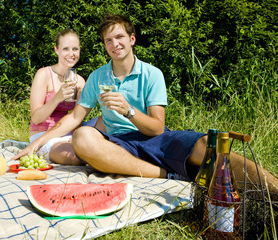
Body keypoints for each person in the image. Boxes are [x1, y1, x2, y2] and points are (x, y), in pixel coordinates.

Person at [14, 15, 278, 194]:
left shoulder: (152, 74)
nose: (114, 44)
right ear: (105, 46)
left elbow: (156, 128)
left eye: (119, 37)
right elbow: (73, 120)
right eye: (108, 40)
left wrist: (128, 109)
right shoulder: (97, 77)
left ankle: (273, 192)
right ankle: (167, 174)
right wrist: (34, 145)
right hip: (117, 143)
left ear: (132, 39)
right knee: (82, 136)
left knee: (205, 147)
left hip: (154, 140)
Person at [28, 28, 104, 165]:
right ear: (56, 50)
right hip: (43, 135)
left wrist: (75, 136)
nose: (71, 54)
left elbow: (77, 118)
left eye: (75, 49)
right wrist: (57, 97)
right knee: (77, 157)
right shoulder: (44, 74)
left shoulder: (79, 81)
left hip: (68, 134)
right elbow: (36, 118)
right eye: (65, 49)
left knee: (107, 121)